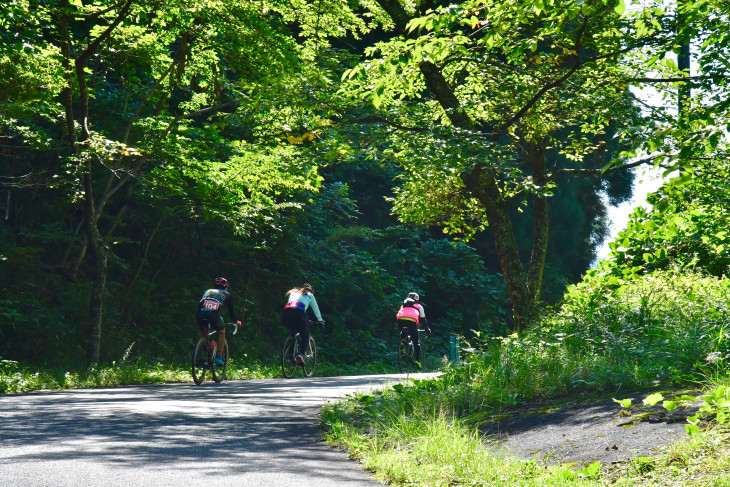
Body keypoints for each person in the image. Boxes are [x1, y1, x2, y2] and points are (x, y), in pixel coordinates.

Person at [196, 277, 241, 366]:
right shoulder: (227, 294)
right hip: (213, 314)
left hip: (200, 313)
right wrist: (235, 321)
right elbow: (231, 310)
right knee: (221, 332)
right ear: (226, 286)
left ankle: (196, 355)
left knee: (204, 335)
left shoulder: (206, 291)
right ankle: (218, 356)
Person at [281, 283, 324, 365]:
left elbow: (291, 306)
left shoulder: (293, 293)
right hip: (299, 313)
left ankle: (290, 356)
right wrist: (320, 320)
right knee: (305, 335)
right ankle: (300, 354)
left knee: (293, 334)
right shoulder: (310, 295)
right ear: (311, 290)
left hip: (286, 314)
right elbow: (316, 310)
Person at [396, 292, 431, 368]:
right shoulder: (419, 306)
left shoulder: (403, 305)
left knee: (404, 331)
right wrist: (427, 329)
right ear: (417, 299)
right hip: (411, 322)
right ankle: (417, 361)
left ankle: (402, 346)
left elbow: (402, 314)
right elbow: (423, 319)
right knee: (416, 342)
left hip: (400, 320)